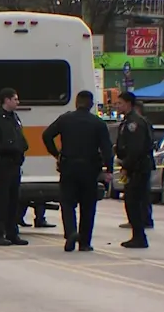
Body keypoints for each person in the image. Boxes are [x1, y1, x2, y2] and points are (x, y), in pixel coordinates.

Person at [42, 90, 114, 252]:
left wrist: (57, 154)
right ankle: (85, 242)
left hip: (68, 167)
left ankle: (71, 232)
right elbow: (107, 148)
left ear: (76, 103)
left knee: (67, 203)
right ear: (90, 104)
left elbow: (46, 135)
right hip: (90, 169)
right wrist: (108, 168)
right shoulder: (98, 123)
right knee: (88, 206)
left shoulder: (65, 119)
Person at [0, 88, 30, 246]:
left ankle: (12, 233)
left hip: (15, 163)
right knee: (1, 200)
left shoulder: (14, 118)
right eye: (15, 99)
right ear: (6, 100)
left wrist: (22, 147)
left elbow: (19, 137)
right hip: (2, 163)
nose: (18, 102)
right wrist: (7, 147)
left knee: (14, 200)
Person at [115, 92, 154, 248]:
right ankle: (137, 235)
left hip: (138, 169)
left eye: (120, 103)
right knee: (131, 202)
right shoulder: (128, 121)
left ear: (128, 104)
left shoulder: (134, 123)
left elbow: (136, 149)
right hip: (135, 167)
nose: (117, 106)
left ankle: (139, 237)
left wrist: (126, 166)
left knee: (133, 202)